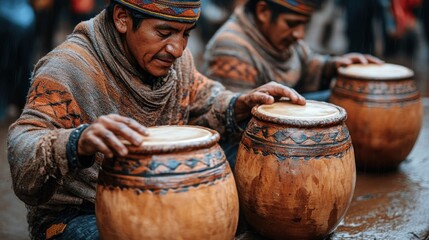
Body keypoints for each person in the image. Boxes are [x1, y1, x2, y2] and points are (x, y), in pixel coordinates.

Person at [7, 0, 306, 239]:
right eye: (164, 33)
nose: (177, 49)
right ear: (122, 18)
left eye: (185, 34)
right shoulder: (67, 68)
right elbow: (24, 146)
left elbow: (207, 100)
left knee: (256, 155)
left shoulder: (176, 61)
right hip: (81, 214)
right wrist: (76, 142)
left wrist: (240, 103)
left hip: (163, 189)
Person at [202, 0, 383, 97]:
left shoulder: (281, 38)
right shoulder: (231, 47)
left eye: (304, 25)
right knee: (340, 102)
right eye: (292, 24)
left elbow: (308, 63)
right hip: (247, 147)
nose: (299, 34)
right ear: (263, 11)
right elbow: (240, 123)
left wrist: (334, 66)